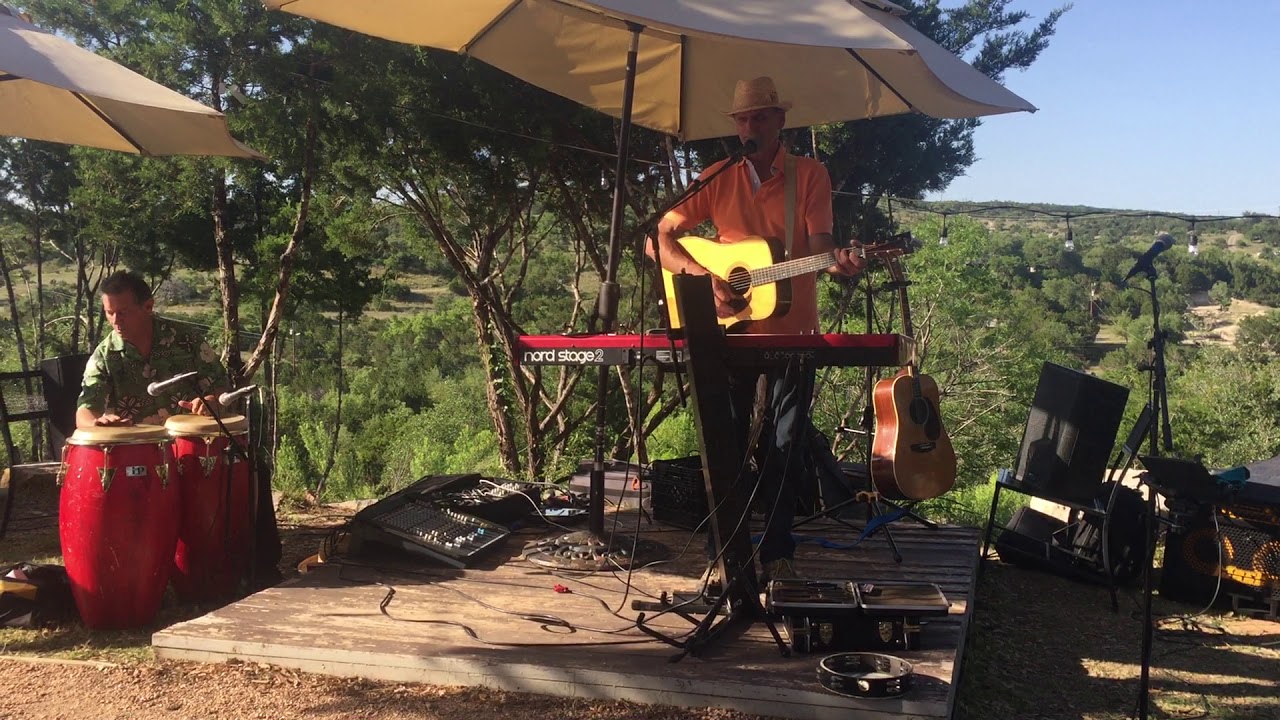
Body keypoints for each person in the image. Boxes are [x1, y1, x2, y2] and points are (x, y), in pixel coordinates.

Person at [650, 77, 865, 586]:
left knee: (785, 445)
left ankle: (778, 554)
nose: (751, 126)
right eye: (743, 119)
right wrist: (705, 280)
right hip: (730, 334)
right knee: (725, 443)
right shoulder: (716, 176)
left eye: (761, 118)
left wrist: (841, 263)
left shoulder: (809, 174)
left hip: (793, 332)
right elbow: (659, 236)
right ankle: (722, 549)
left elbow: (823, 247)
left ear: (779, 122)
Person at [76, 270, 282, 587]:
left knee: (254, 466)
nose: (116, 321)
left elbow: (220, 387)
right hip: (143, 458)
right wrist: (97, 422)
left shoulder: (185, 339)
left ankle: (259, 566)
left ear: (148, 306)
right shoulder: (105, 355)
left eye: (123, 312)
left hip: (194, 448)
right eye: (109, 313)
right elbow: (84, 410)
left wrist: (212, 401)